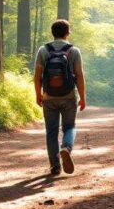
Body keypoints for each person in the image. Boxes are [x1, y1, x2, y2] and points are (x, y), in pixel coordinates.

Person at [33, 19, 86, 175]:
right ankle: (66, 148)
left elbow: (37, 76)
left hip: (49, 97)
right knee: (70, 127)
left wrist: (38, 94)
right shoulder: (73, 51)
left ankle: (55, 166)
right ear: (67, 33)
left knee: (51, 131)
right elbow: (80, 76)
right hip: (69, 96)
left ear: (52, 33)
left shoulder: (43, 50)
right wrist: (82, 97)